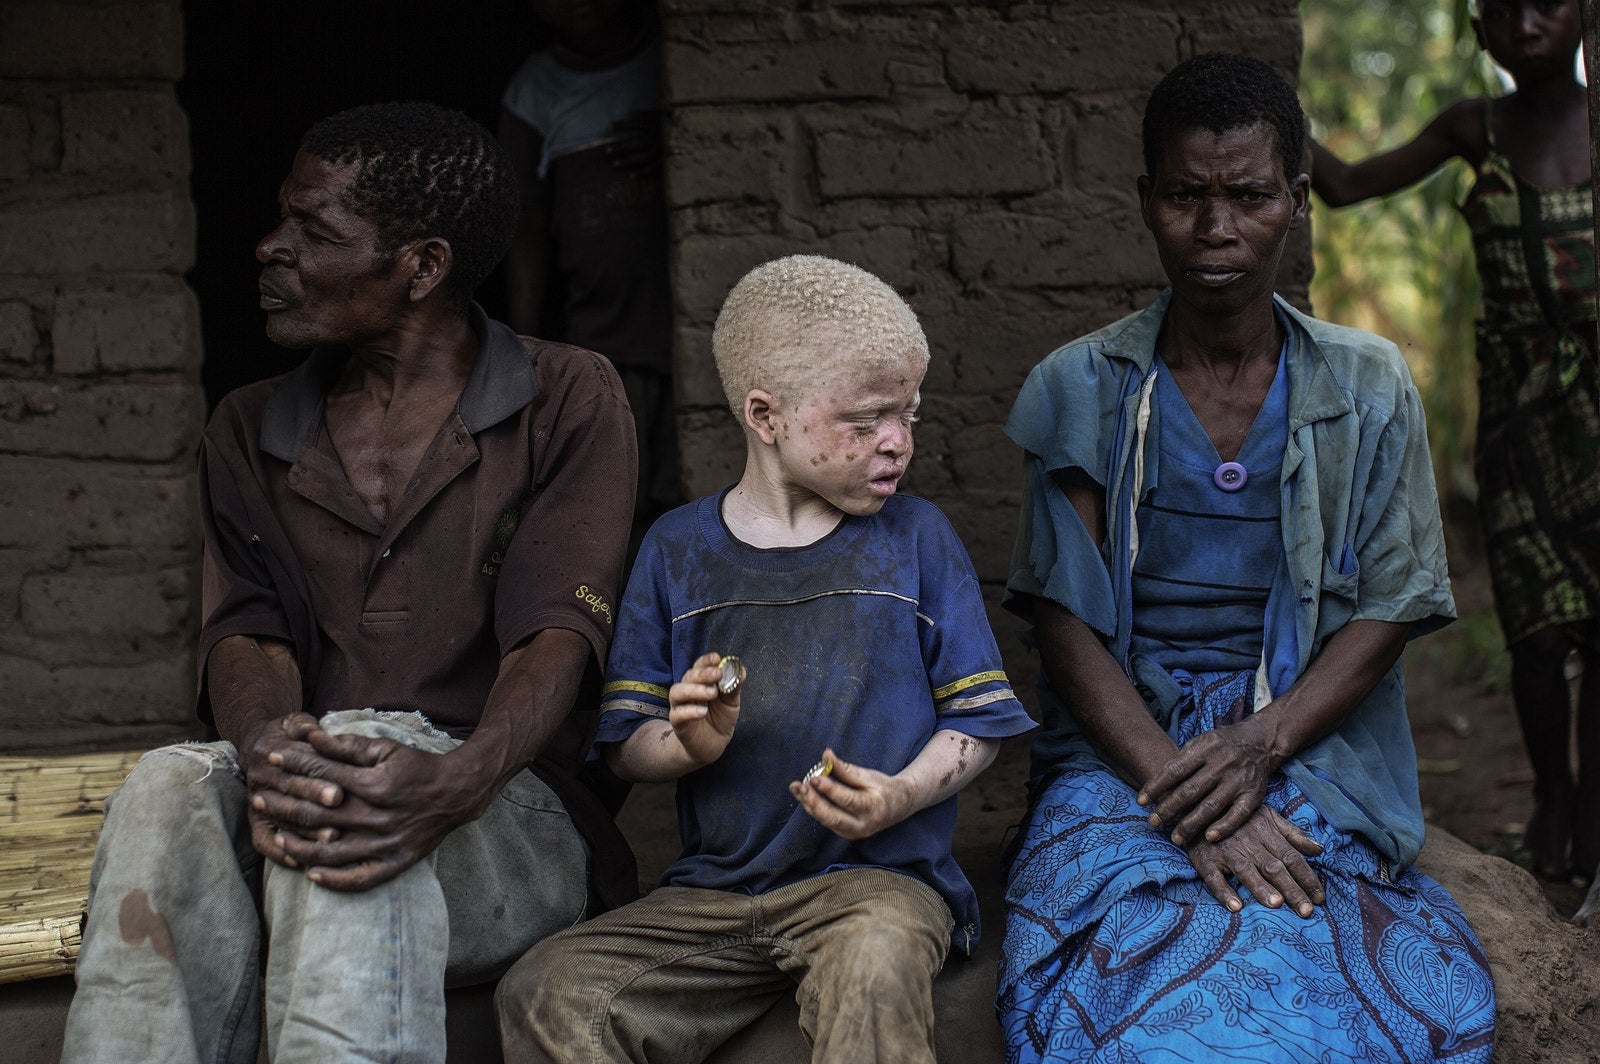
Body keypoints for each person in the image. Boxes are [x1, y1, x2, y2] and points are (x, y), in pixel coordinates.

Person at [61, 102, 638, 1063]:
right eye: (283, 221)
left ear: (422, 266)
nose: (270, 248)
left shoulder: (566, 395)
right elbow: (250, 635)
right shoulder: (248, 427)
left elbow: (555, 636)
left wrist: (454, 781)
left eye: (314, 232)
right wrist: (266, 747)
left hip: (506, 813)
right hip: (318, 805)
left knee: (355, 775)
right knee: (169, 784)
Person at [996, 54, 1497, 1061]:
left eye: (1248, 196)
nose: (1216, 228)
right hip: (1127, 752)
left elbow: (1391, 603)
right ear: (1145, 201)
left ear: (1297, 202)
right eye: (1186, 196)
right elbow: (1064, 621)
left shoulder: (1366, 385)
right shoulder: (1082, 386)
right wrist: (1185, 791)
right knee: (1133, 993)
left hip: (1310, 738)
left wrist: (1261, 746)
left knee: (1366, 976)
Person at [495, 254, 1037, 1063]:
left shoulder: (917, 541)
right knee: (549, 987)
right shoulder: (676, 551)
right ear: (765, 414)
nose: (896, 443)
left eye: (909, 416)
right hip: (714, 899)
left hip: (875, 889)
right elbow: (630, 744)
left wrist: (901, 794)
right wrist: (688, 743)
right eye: (864, 421)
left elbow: (977, 720)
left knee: (877, 955)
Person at [1310, 0, 1598, 884]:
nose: (1527, 24)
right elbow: (1348, 186)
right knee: (1539, 634)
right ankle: (1553, 798)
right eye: (1503, 11)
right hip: (1520, 423)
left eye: (1549, 2)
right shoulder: (1479, 129)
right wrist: (1271, 106)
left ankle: (1587, 823)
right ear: (1480, 34)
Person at [500, 0, 680, 550]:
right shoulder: (533, 94)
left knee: (693, 495)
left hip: (689, 331)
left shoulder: (673, 62)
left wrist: (677, 141)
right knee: (618, 511)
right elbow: (523, 233)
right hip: (604, 333)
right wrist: (522, 353)